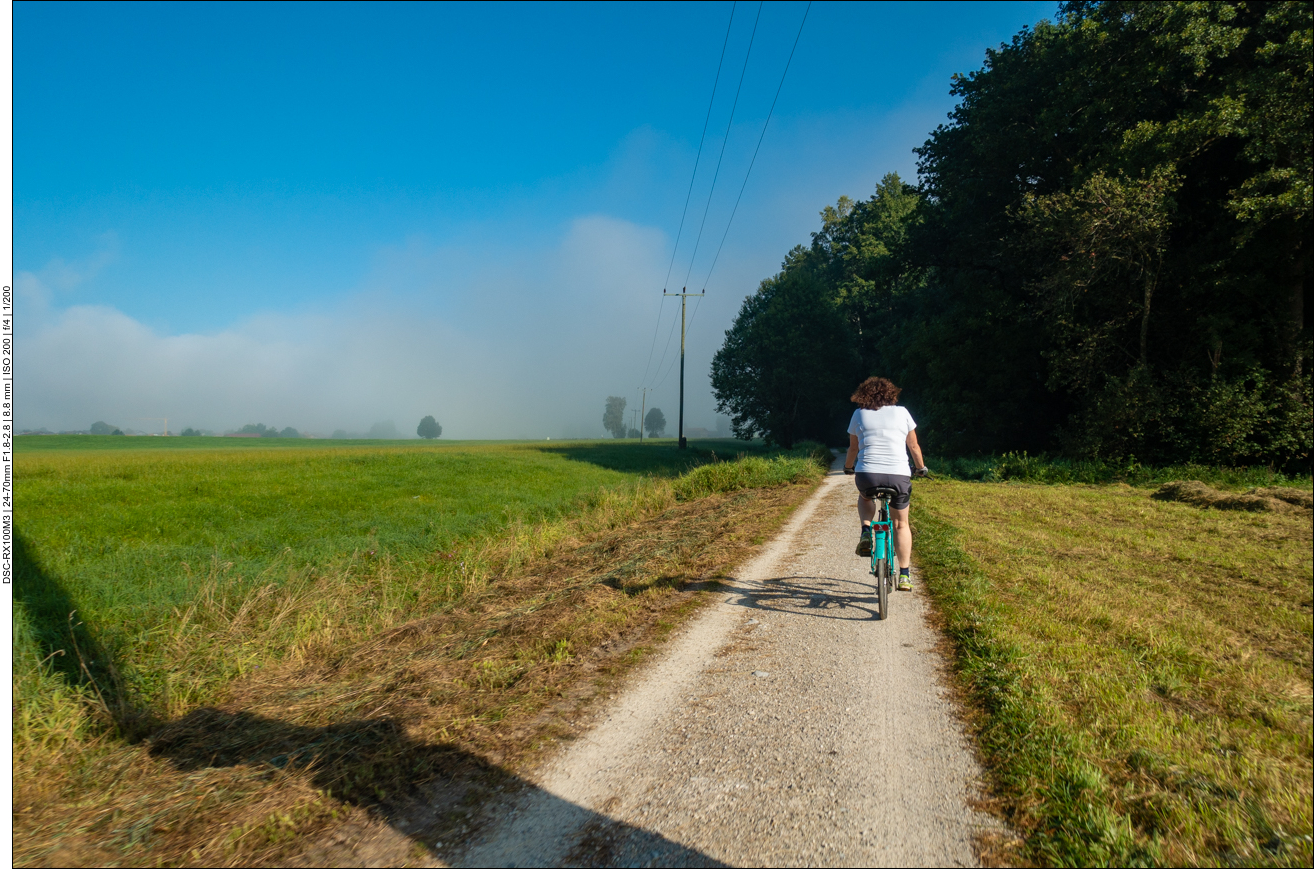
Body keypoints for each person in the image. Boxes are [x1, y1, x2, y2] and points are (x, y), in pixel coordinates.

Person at [843, 376, 927, 591]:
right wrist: (920, 468)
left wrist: (848, 467)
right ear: (891, 394)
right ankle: (905, 575)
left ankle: (865, 530)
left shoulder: (859, 413)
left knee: (865, 496)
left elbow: (853, 449)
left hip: (868, 475)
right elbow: (914, 446)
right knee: (901, 524)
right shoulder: (903, 412)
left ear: (863, 394)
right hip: (898, 475)